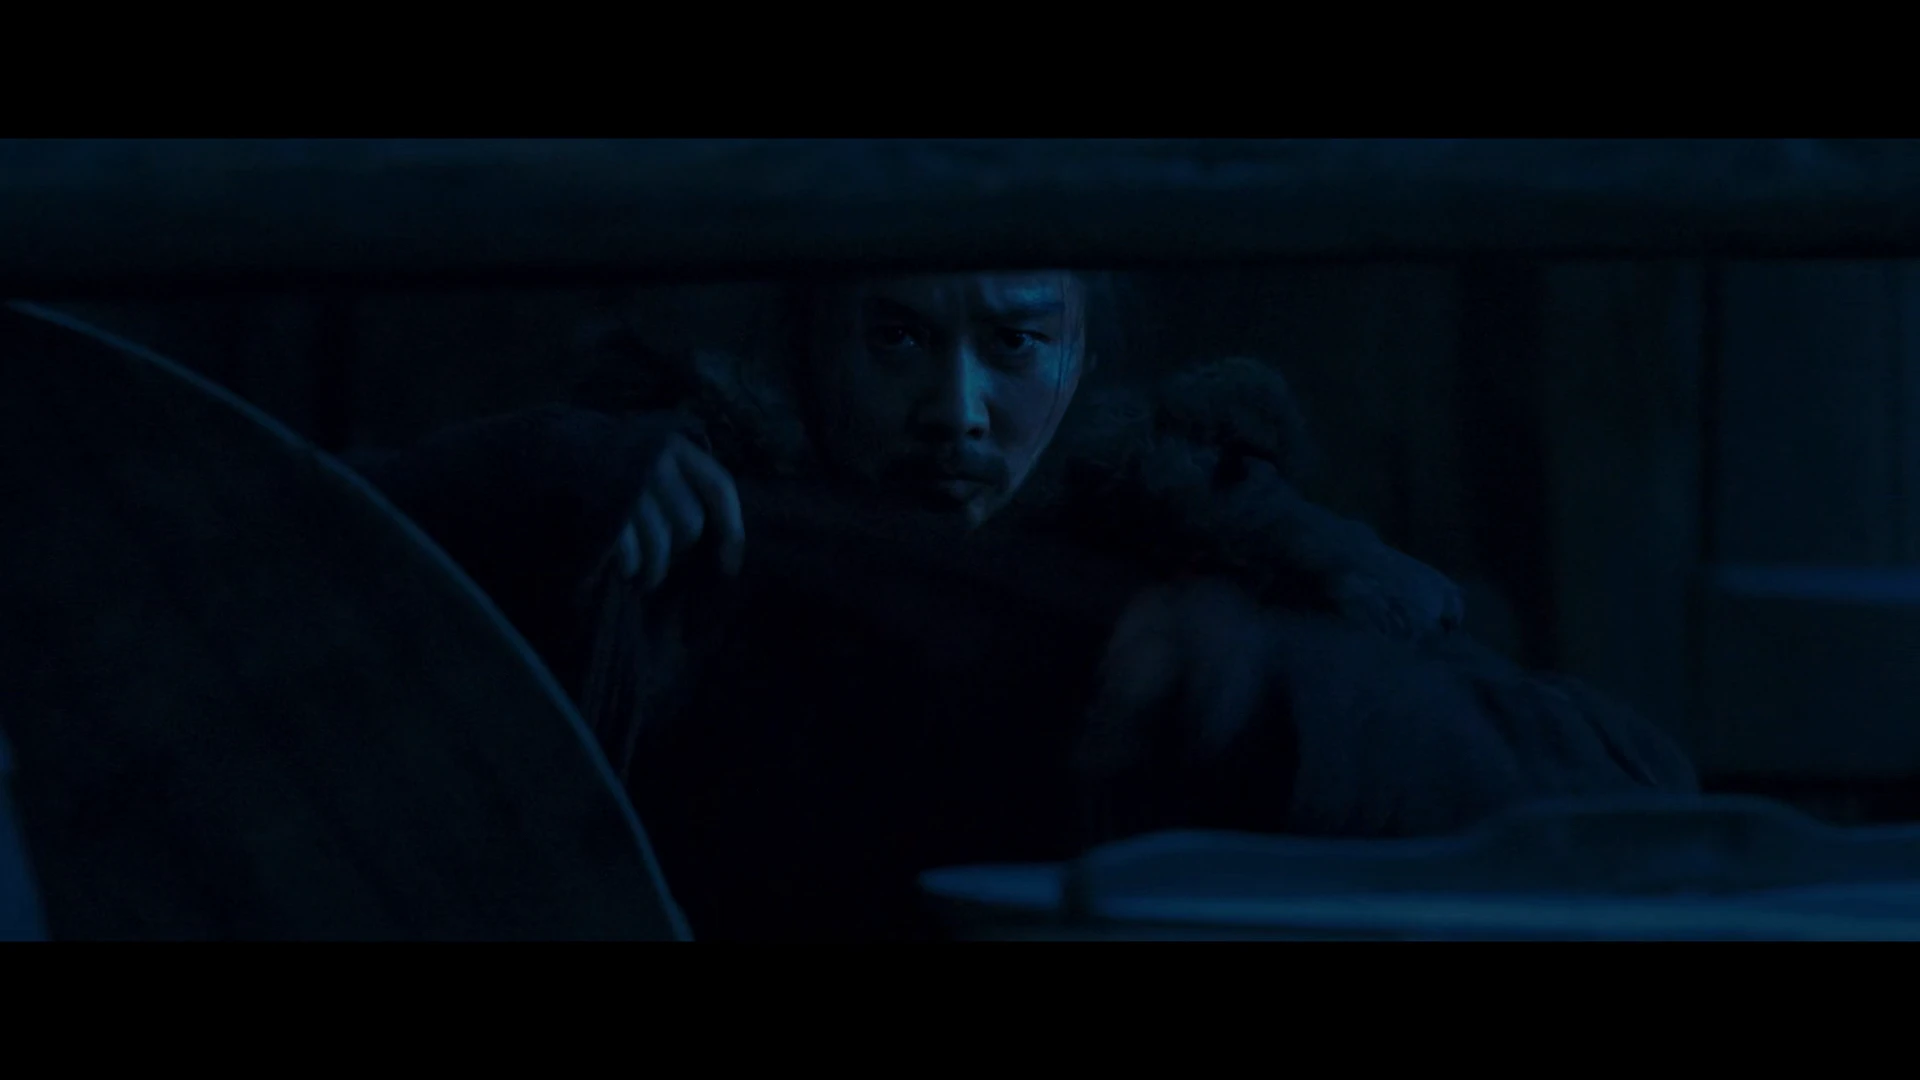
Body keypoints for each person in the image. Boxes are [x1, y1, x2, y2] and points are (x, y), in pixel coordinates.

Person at [350, 270, 1697, 941]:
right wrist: (551, 483)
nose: (957, 412)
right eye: (896, 338)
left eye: (1014, 343)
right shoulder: (676, 542)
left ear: (1081, 343)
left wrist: (1273, 689)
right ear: (807, 339)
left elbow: (1622, 786)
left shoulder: (1209, 552)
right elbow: (299, 551)